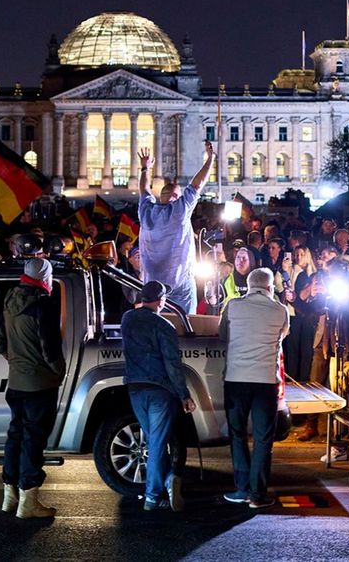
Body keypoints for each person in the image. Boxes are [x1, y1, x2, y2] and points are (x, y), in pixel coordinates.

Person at [0, 258, 66, 519]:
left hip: (16, 382)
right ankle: (29, 501)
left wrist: (15, 361)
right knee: (33, 440)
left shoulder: (10, 299)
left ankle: (9, 497)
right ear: (45, 277)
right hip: (40, 384)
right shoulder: (43, 304)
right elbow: (50, 349)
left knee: (16, 435)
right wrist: (59, 372)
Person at [121, 280, 195, 512]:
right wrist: (184, 395)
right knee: (157, 443)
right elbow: (173, 365)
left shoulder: (127, 319)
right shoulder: (164, 326)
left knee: (154, 440)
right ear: (161, 301)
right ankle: (153, 496)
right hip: (159, 390)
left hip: (135, 388)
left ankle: (163, 484)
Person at [219, 268, 289, 509]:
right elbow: (283, 336)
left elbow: (222, 336)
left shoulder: (233, 306)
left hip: (236, 380)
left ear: (248, 286)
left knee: (237, 435)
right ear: (270, 287)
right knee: (263, 440)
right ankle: (257, 495)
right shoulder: (280, 310)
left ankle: (241, 488)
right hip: (266, 383)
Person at [136, 142, 216, 314]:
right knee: (186, 327)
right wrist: (210, 159)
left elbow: (143, 189)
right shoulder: (180, 210)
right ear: (175, 197)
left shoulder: (146, 212)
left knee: (155, 327)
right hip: (180, 285)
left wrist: (145, 168)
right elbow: (197, 184)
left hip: (152, 286)